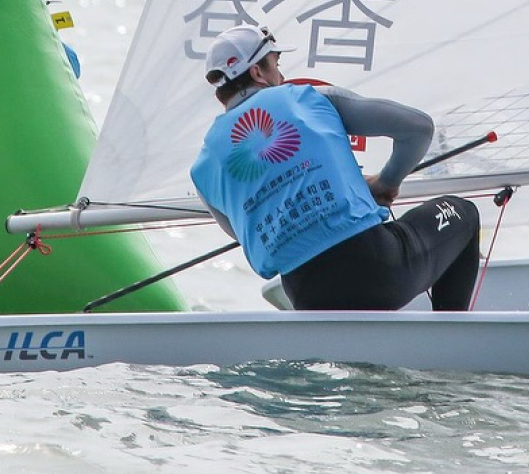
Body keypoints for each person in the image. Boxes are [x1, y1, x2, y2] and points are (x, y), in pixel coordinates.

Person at [190, 23, 481, 311]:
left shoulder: (202, 170)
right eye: (276, 64)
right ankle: (449, 333)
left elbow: (247, 230)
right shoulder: (308, 99)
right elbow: (418, 128)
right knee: (465, 213)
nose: (282, 75)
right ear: (257, 72)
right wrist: (386, 182)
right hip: (379, 269)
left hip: (305, 295)